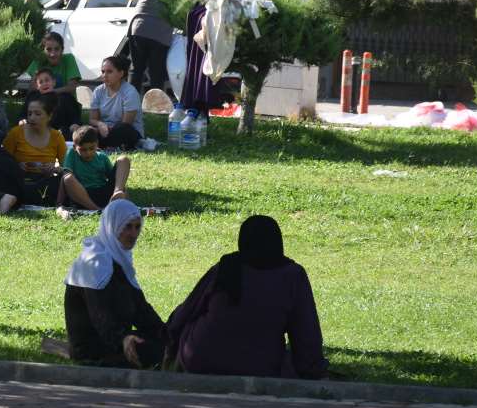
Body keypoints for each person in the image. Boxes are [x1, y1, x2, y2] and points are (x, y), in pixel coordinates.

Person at [164, 215, 329, 378]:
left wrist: (169, 343)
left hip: (200, 360)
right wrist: (312, 370)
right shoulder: (292, 276)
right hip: (259, 367)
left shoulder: (227, 267)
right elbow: (307, 335)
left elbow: (187, 310)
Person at [63, 199, 164, 368]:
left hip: (117, 340)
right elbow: (100, 316)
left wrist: (165, 332)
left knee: (167, 342)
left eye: (137, 227)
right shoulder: (94, 262)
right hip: (93, 348)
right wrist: (123, 339)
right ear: (112, 226)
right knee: (152, 351)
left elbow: (140, 308)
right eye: (127, 227)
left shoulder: (120, 260)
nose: (133, 234)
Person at [3, 92, 67, 205]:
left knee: (62, 182)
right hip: (19, 179)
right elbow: (3, 160)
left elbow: (66, 168)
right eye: (29, 113)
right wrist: (16, 166)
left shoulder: (57, 137)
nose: (32, 118)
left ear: (49, 116)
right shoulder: (16, 133)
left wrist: (54, 169)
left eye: (37, 114)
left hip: (45, 180)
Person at [60, 125, 131, 211]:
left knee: (124, 159)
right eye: (83, 150)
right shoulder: (72, 154)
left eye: (91, 148)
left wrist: (121, 190)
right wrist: (59, 203)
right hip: (83, 194)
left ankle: (117, 193)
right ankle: (96, 210)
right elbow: (65, 178)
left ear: (97, 144)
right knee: (68, 178)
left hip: (104, 193)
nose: (88, 153)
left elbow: (116, 178)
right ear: (75, 147)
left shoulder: (102, 157)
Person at [126, 0, 175, 99]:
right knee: (157, 73)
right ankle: (155, 105)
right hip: (161, 32)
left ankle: (129, 103)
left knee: (136, 70)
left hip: (139, 26)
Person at [90, 55, 144, 150]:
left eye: (109, 72)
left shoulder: (130, 92)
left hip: (127, 131)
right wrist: (100, 124)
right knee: (86, 130)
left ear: (121, 74)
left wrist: (106, 130)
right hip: (104, 130)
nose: (105, 75)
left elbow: (126, 123)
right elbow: (92, 119)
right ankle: (104, 145)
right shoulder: (98, 91)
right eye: (103, 72)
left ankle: (99, 144)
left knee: (122, 129)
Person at [24, 31, 82, 102]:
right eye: (48, 49)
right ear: (43, 50)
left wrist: (50, 92)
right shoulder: (39, 60)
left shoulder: (69, 59)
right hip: (44, 103)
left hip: (65, 104)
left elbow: (71, 87)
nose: (52, 54)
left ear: (62, 50)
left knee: (65, 98)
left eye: (57, 49)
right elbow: (32, 89)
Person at [26, 67, 82, 138]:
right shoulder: (32, 98)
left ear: (54, 82)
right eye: (41, 82)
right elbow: (23, 115)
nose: (44, 84)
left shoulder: (66, 98)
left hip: (62, 133)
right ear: (37, 86)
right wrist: (22, 121)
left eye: (47, 80)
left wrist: (75, 124)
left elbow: (75, 118)